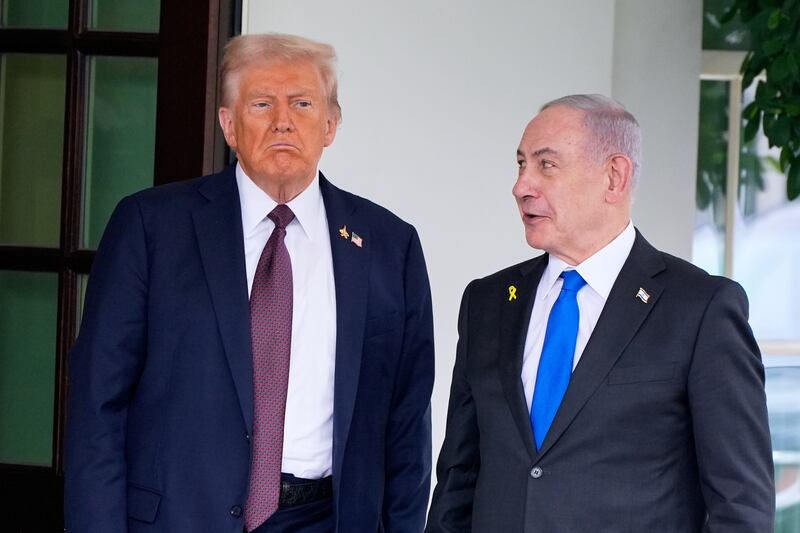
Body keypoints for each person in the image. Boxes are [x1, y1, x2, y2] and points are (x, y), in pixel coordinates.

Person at [65, 33, 434, 533]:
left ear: (330, 124)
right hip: (178, 519)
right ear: (229, 124)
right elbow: (98, 404)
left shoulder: (390, 244)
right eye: (262, 103)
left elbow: (407, 422)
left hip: (327, 518)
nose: (283, 120)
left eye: (302, 103)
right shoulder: (151, 226)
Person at [425, 94, 774, 532]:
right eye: (520, 164)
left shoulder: (700, 308)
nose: (521, 185)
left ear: (614, 177)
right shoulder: (488, 301)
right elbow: (459, 476)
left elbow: (741, 504)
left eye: (546, 165)